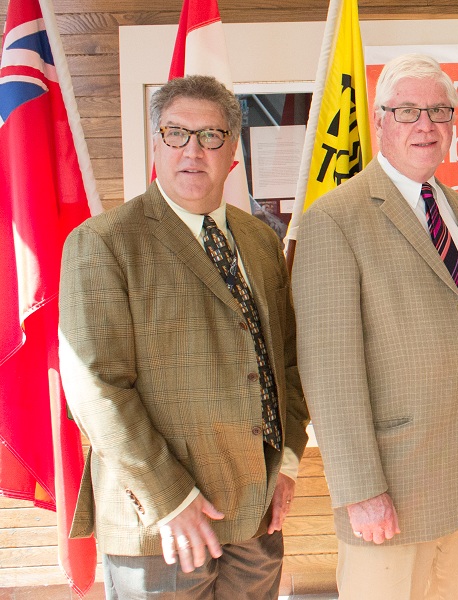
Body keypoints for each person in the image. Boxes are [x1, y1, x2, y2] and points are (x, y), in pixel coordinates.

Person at [58, 75, 309, 597]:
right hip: (159, 525)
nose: (193, 150)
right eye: (176, 133)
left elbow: (286, 363)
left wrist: (285, 460)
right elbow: (97, 388)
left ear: (232, 152)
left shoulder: (261, 241)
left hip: (256, 513)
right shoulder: (104, 243)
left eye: (211, 135)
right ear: (156, 144)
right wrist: (169, 498)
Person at [290, 53, 458, 600]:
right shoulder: (336, 218)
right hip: (391, 489)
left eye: (439, 111)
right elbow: (328, 370)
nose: (425, 125)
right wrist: (361, 488)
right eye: (408, 110)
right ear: (381, 118)